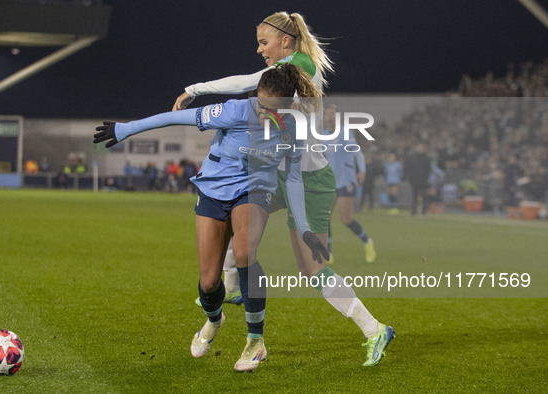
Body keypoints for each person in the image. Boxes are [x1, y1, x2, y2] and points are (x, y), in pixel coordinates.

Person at [172, 11, 394, 367]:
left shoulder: (297, 64)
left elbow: (245, 81)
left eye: (264, 42)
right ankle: (229, 287)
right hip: (282, 174)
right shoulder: (288, 68)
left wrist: (195, 89)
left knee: (312, 269)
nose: (260, 50)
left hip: (309, 180)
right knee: (235, 212)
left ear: (285, 41)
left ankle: (375, 329)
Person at [94, 64, 329, 372]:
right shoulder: (232, 111)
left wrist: (306, 229)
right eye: (260, 105)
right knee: (208, 283)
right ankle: (214, 320)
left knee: (245, 253)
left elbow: (295, 179)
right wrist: (125, 129)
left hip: (254, 190)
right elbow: (175, 117)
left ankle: (255, 342)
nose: (262, 114)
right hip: (214, 189)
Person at [323, 105, 376, 263]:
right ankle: (329, 252)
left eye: (332, 114)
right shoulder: (324, 135)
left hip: (347, 180)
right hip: (331, 182)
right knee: (325, 217)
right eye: (327, 115)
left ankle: (367, 242)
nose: (330, 117)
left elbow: (357, 152)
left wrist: (362, 171)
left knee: (346, 220)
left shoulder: (345, 133)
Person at [405, 143, 432, 216]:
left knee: (424, 196)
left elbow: (428, 170)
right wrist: (410, 178)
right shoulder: (412, 158)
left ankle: (424, 210)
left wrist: (425, 178)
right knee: (414, 196)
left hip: (423, 181)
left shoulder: (426, 158)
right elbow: (408, 168)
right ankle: (414, 210)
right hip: (414, 180)